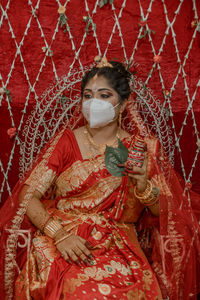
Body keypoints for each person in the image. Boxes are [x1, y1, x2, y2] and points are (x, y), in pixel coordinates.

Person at [0, 57, 200, 300]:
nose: (94, 102)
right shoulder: (67, 142)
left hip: (119, 245)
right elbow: (28, 195)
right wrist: (60, 235)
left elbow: (162, 211)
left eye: (104, 96)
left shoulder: (141, 148)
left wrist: (142, 185)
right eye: (88, 95)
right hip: (65, 239)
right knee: (79, 291)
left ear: (124, 104)